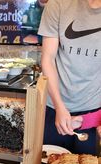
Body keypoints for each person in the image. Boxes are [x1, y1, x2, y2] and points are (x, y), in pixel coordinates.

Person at [38, 0, 101, 155]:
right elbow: (48, 59)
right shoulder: (58, 3)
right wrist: (59, 106)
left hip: (93, 112)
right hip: (54, 107)